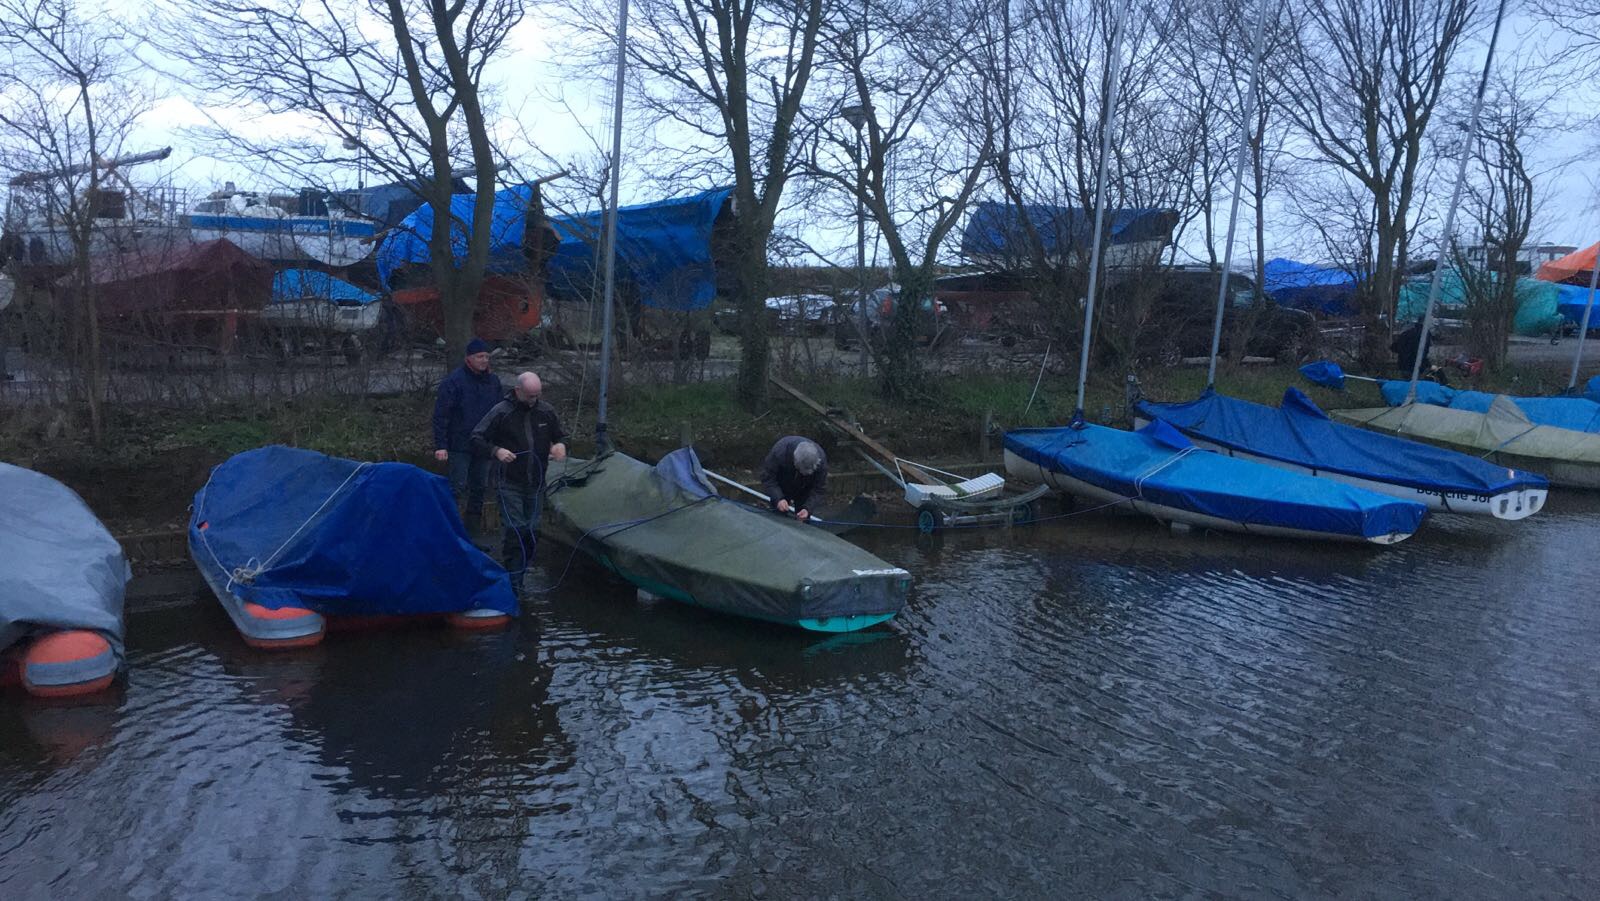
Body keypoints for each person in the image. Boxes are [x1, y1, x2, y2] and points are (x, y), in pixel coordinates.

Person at [471, 372, 567, 588]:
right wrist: (496, 451)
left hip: (536, 482)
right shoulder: (501, 412)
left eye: (537, 396)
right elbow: (476, 438)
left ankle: (521, 571)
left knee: (533, 531)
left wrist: (559, 445)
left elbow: (560, 435)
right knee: (516, 530)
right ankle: (514, 582)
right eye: (530, 396)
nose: (534, 400)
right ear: (518, 391)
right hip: (509, 482)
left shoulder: (546, 411)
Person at [432, 338, 502, 524]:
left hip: (484, 444)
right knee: (457, 487)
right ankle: (451, 528)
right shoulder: (454, 382)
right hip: (459, 444)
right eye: (480, 357)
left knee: (480, 487)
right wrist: (441, 445)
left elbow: (501, 412)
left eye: (487, 357)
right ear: (469, 358)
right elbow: (441, 415)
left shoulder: (493, 382)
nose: (484, 360)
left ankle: (473, 530)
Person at [759, 436, 827, 522]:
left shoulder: (821, 462)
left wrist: (807, 508)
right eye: (801, 470)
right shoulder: (780, 452)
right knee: (777, 518)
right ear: (794, 461)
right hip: (782, 484)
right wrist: (779, 498)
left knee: (803, 520)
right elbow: (768, 477)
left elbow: (819, 489)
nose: (803, 473)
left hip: (805, 489)